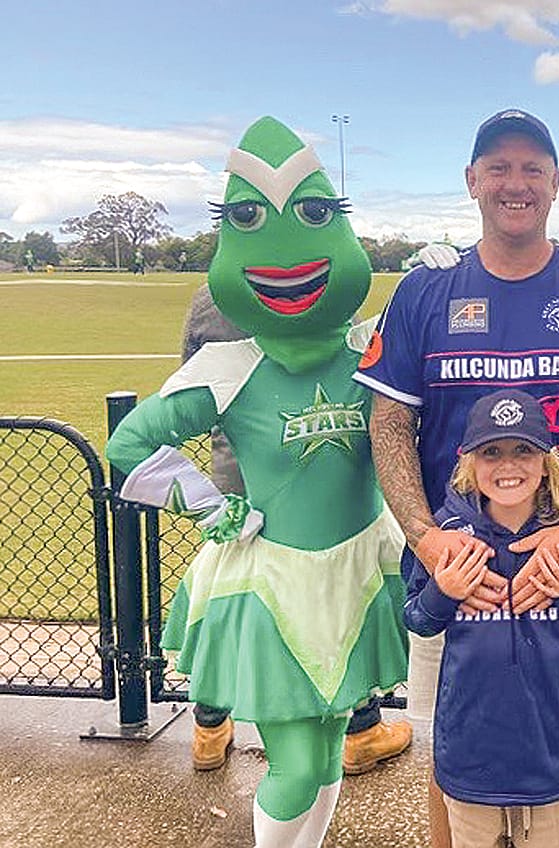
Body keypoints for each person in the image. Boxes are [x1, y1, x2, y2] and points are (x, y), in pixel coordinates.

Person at [355, 108, 559, 848]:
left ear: (556, 183)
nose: (514, 183)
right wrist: (427, 542)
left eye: (531, 168)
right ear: (471, 181)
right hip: (451, 575)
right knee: (444, 745)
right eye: (498, 167)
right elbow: (389, 426)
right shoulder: (425, 296)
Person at [107, 116, 411, 847]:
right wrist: (208, 504)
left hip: (361, 572)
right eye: (247, 221)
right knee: (298, 764)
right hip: (273, 586)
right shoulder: (229, 367)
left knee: (334, 739)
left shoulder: (367, 348)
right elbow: (130, 442)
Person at [179, 283, 412, 776]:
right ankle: (361, 728)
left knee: (237, 600)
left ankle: (208, 726)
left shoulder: (211, 297)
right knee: (333, 598)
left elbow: (191, 381)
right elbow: (343, 350)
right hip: (315, 460)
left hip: (239, 470)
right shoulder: (313, 283)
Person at [404, 388, 559, 848]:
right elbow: (419, 620)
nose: (508, 466)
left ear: (546, 460)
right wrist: (444, 593)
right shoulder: (446, 535)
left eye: (523, 450)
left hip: (548, 756)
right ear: (469, 461)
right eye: (492, 452)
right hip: (470, 753)